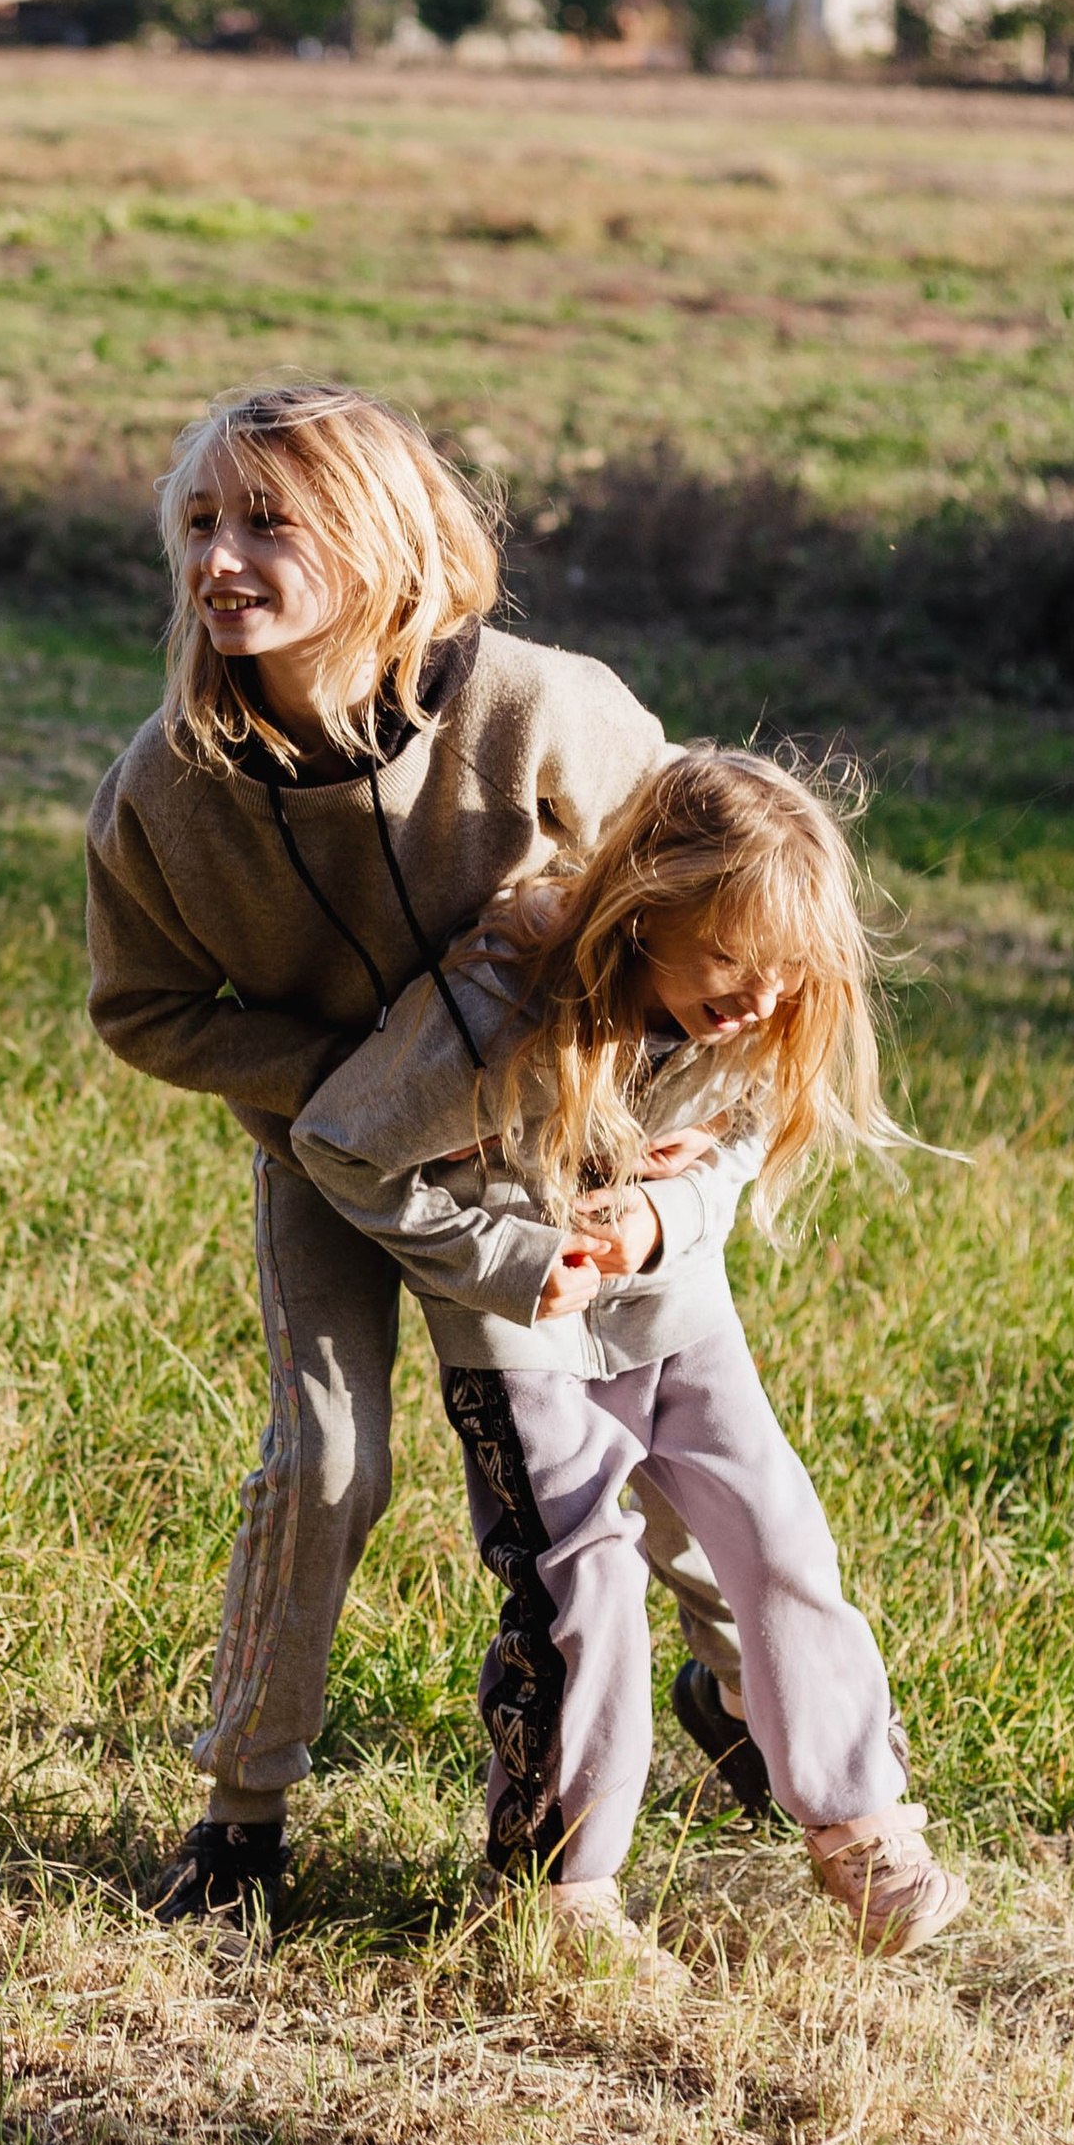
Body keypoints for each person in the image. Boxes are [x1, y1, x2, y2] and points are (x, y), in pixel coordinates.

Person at [85, 382, 762, 1928]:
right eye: (199, 523)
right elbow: (142, 1008)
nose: (223, 560)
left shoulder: (540, 706)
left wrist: (636, 1129)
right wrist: (351, 1089)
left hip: (549, 1145)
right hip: (334, 1162)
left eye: (271, 522)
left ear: (388, 546)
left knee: (638, 1457)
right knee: (323, 1459)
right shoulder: (165, 784)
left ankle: (746, 1697)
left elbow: (681, 890)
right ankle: (240, 1819)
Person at [292, 743, 966, 1967]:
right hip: (524, 1338)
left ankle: (859, 1826)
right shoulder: (493, 1007)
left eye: (784, 974)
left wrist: (662, 1219)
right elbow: (338, 1147)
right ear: (645, 908)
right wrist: (500, 1257)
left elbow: (741, 1139)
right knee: (583, 1582)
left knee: (778, 1540)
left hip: (676, 1313)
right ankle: (561, 1892)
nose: (758, 999)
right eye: (726, 961)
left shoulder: (752, 1015)